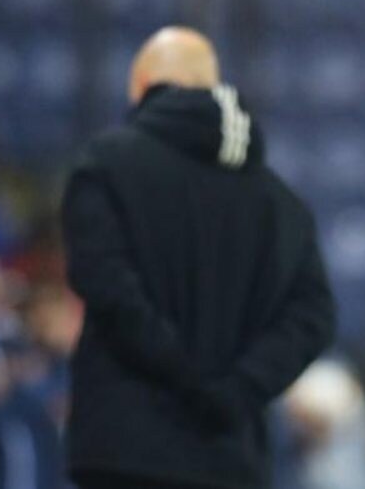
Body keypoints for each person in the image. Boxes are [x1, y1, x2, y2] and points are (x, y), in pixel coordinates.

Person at [61, 27, 336, 489]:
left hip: (123, 449)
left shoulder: (105, 166)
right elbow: (315, 317)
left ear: (142, 87)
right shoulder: (282, 203)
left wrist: (186, 375)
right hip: (231, 454)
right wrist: (239, 387)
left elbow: (105, 285)